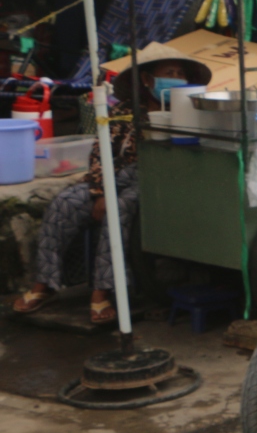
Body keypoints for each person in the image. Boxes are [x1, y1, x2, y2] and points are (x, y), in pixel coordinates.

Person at [13, 47, 208, 323]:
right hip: (108, 177)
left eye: (180, 74)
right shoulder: (124, 110)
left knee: (119, 209)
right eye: (168, 73)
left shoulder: (187, 111)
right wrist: (99, 191)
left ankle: (102, 290)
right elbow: (100, 152)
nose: (175, 78)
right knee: (65, 202)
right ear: (148, 79)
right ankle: (44, 284)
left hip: (153, 180)